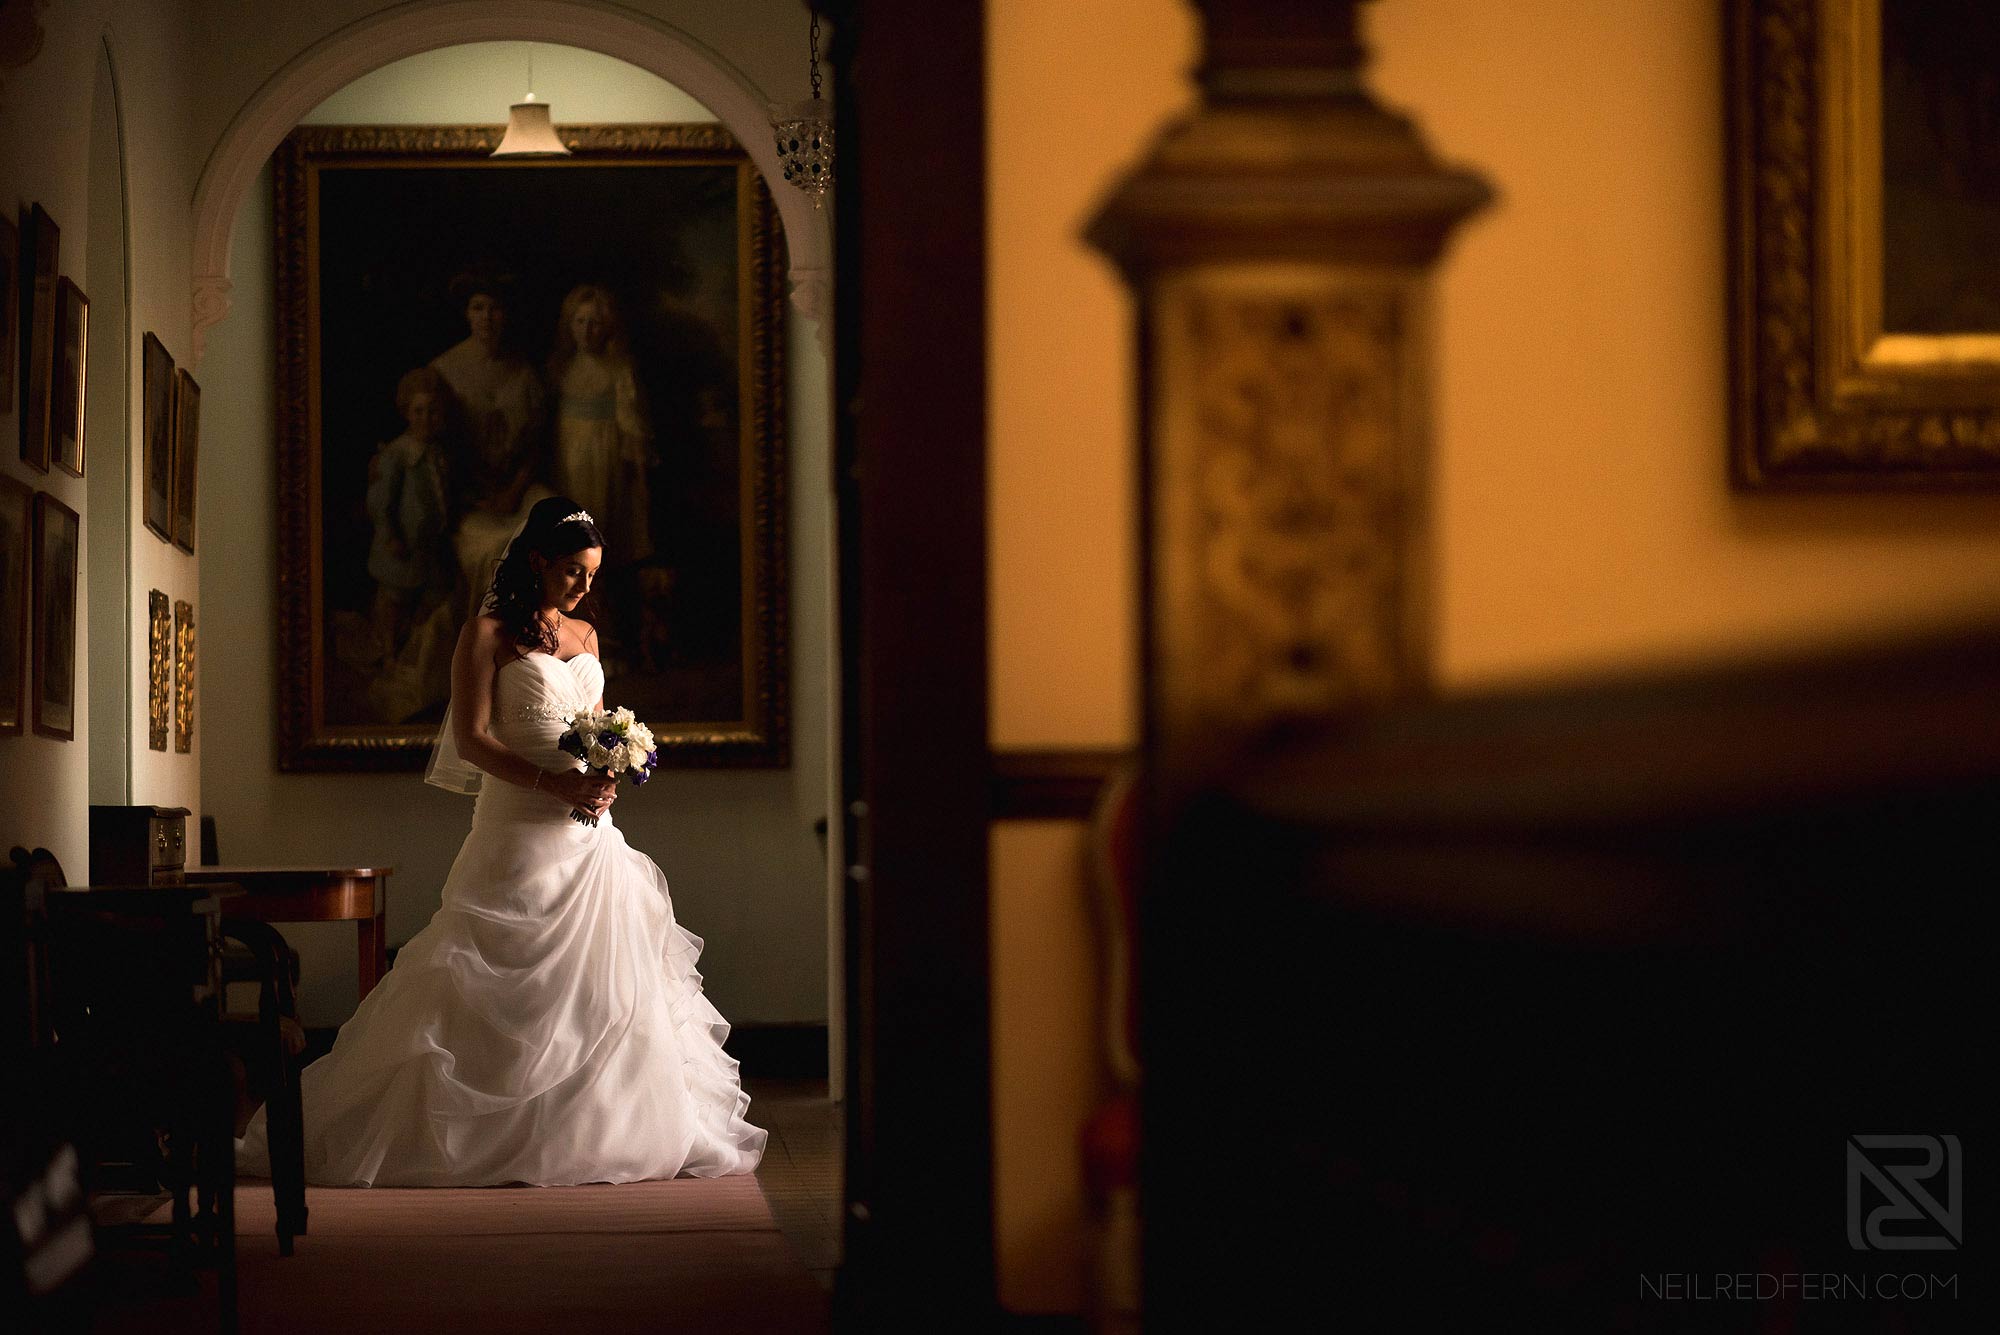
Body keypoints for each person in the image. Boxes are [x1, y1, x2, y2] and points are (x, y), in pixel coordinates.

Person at [237, 498, 765, 1186]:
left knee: (602, 993)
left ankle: (593, 1130)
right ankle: (476, 1133)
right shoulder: (485, 634)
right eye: (573, 570)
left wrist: (611, 767)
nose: (583, 585)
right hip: (517, 835)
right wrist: (555, 786)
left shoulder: (587, 635)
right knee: (487, 982)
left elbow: (596, 724)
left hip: (589, 841)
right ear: (539, 560)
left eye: (593, 573)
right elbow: (472, 739)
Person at [430, 273, 550, 593]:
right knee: (494, 547)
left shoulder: (524, 373)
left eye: (495, 309)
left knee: (555, 522)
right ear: (467, 314)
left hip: (516, 488)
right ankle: (490, 635)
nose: (486, 317)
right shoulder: (443, 371)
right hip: (466, 499)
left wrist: (513, 491)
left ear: (506, 315)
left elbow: (535, 445)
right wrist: (472, 494)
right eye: (478, 308)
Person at [549, 284, 654, 565]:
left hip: (603, 457)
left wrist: (637, 464)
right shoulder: (563, 366)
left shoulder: (618, 369)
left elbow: (629, 422)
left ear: (607, 327)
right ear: (570, 325)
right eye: (580, 322)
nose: (586, 330)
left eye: (594, 323)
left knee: (599, 518)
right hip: (567, 455)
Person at [364, 367, 453, 665]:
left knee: (426, 598)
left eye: (432, 411)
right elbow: (381, 501)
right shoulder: (397, 455)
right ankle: (387, 649)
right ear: (406, 412)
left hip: (425, 547)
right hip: (400, 547)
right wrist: (390, 536)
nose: (425, 419)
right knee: (394, 598)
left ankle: (409, 652)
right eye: (419, 411)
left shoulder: (437, 452)